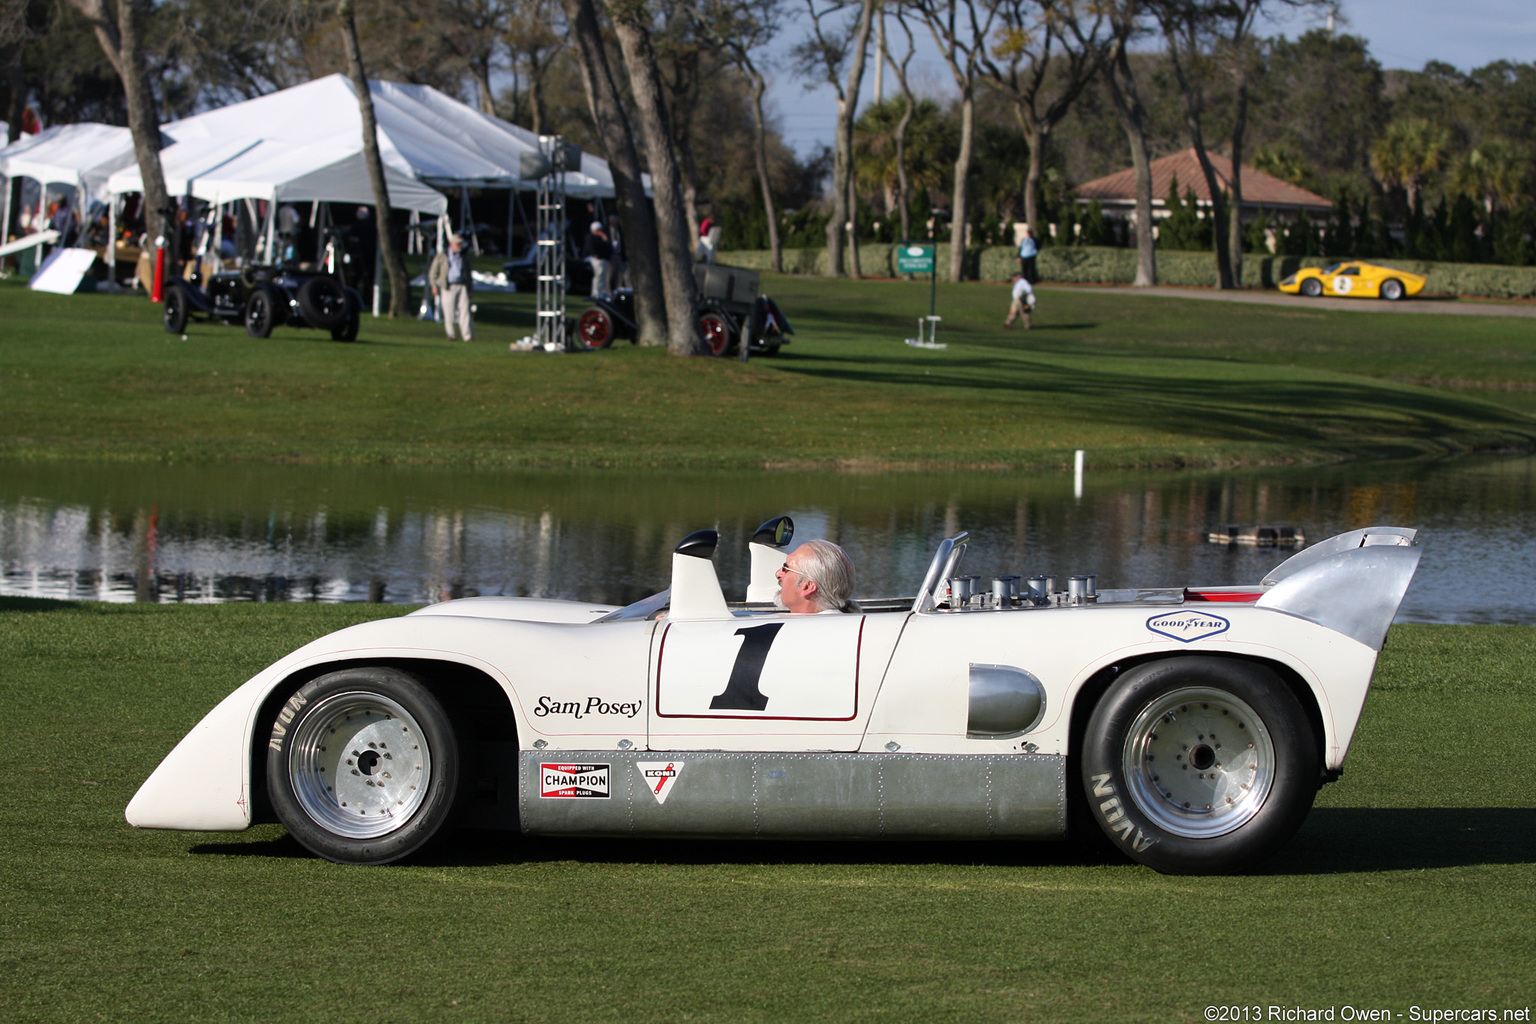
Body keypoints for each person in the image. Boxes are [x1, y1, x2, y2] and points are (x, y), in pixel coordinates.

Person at [774, 540, 859, 614]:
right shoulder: (843, 625)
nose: (777, 573)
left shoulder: (808, 630)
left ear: (808, 586)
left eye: (785, 568)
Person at [429, 234, 474, 342]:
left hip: (462, 285)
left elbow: (468, 273)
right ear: (451, 244)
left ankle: (468, 336)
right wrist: (434, 286)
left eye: (460, 244)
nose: (459, 246)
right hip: (448, 286)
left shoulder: (463, 256)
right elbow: (433, 272)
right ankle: (452, 335)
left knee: (465, 311)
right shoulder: (443, 255)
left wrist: (470, 288)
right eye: (458, 244)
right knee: (449, 312)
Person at [582, 221, 612, 298]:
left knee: (603, 277)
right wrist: (603, 238)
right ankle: (596, 293)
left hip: (602, 259)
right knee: (598, 276)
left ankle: (601, 292)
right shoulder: (592, 238)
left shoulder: (599, 238)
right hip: (597, 259)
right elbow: (600, 246)